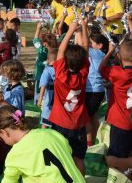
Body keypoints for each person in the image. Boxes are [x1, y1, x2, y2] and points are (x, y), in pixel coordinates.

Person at [0, 105, 85, 183]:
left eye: (1, 138)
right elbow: (68, 150)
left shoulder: (14, 155)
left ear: (4, 132)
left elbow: (9, 181)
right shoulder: (51, 133)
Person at [48, 20, 90, 174]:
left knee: (60, 156)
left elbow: (59, 52)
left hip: (61, 123)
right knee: (79, 157)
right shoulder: (83, 75)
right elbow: (85, 49)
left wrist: (71, 30)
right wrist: (83, 27)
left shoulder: (61, 75)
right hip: (78, 124)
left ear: (65, 61)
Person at [99, 40, 132, 171]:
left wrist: (109, 52)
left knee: (117, 154)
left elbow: (101, 68)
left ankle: (117, 175)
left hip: (120, 121)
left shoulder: (117, 72)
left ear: (119, 56)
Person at [85, 32, 108, 146]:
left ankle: (88, 144)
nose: (88, 44)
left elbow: (82, 45)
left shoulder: (98, 54)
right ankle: (92, 141)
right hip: (96, 90)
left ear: (100, 46)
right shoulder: (98, 53)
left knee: (85, 118)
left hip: (93, 91)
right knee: (92, 115)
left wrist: (79, 31)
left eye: (91, 43)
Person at [33, 23, 56, 104]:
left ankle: (38, 103)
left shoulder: (41, 49)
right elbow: (52, 39)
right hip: (53, 80)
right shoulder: (56, 51)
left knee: (38, 93)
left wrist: (38, 28)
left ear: (45, 44)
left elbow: (35, 39)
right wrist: (49, 29)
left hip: (39, 76)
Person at [38, 49, 57, 128]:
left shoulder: (47, 70)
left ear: (48, 60)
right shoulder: (61, 69)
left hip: (50, 95)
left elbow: (43, 85)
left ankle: (43, 133)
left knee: (46, 117)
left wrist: (40, 98)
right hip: (58, 94)